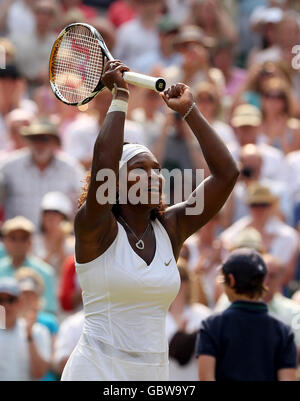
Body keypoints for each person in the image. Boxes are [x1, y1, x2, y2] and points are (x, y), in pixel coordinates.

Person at [61, 60, 239, 381]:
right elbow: (104, 160)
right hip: (95, 371)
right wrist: (120, 97)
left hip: (153, 375)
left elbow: (227, 174)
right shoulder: (95, 227)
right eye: (140, 170)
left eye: (156, 169)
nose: (154, 176)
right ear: (114, 182)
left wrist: (189, 112)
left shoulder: (171, 229)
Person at [197, 248, 298, 381]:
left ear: (231, 280)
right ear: (263, 282)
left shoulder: (211, 326)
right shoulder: (283, 332)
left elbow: (206, 378)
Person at [0, 117, 84, 226]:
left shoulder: (71, 168)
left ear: (55, 142)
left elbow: (83, 203)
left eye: (45, 139)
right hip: (20, 239)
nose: (39, 144)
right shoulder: (9, 166)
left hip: (57, 240)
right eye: (35, 139)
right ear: (28, 141)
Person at [0, 216, 57, 315]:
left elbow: (49, 311)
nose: (18, 243)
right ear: (4, 241)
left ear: (30, 242)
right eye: (13, 238)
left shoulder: (46, 272)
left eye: (23, 238)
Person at [166, 260, 211, 380]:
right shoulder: (156, 317)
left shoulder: (203, 315)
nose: (177, 283)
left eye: (181, 278)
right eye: (169, 277)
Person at [0, 277, 51, 381]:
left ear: (20, 302)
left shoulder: (38, 331)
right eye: (0, 300)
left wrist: (29, 336)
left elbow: (39, 373)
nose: (5, 305)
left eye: (11, 300)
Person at [33, 191, 75, 274]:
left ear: (64, 218)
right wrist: (52, 250)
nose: (50, 217)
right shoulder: (34, 242)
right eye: (47, 213)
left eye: (55, 214)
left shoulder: (74, 244)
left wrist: (59, 248)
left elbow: (70, 273)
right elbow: (35, 272)